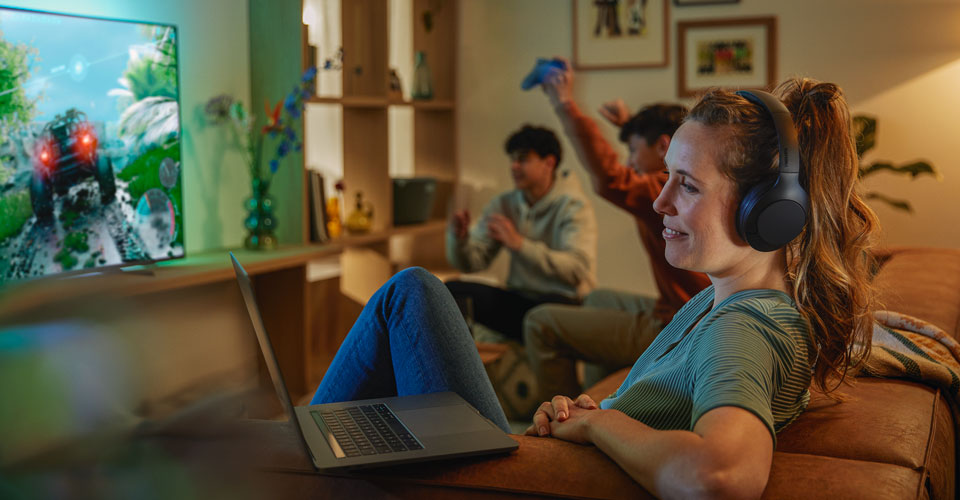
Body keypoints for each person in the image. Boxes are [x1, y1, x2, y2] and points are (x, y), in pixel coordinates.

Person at [311, 77, 879, 497]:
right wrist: (591, 413)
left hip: (520, 485)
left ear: (768, 213)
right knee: (395, 353)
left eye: (685, 185)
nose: (660, 203)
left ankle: (287, 465)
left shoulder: (745, 328)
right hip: (544, 464)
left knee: (410, 295)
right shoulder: (721, 300)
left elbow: (721, 477)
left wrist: (598, 421)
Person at [523, 61, 711, 402]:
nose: (630, 161)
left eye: (634, 150)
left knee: (540, 322)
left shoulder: (666, 187)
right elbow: (637, 166)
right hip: (681, 309)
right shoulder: (694, 179)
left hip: (681, 326)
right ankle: (603, 403)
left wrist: (564, 102)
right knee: (597, 298)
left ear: (663, 147)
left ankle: (560, 428)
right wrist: (629, 126)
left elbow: (612, 179)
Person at [444, 124, 597, 340]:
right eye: (512, 159)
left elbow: (576, 270)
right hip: (520, 298)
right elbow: (472, 263)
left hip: (565, 303)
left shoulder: (573, 206)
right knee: (450, 292)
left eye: (523, 159)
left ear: (549, 163)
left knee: (544, 316)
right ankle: (457, 366)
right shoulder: (504, 204)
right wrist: (458, 239)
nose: (514, 166)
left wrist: (519, 244)